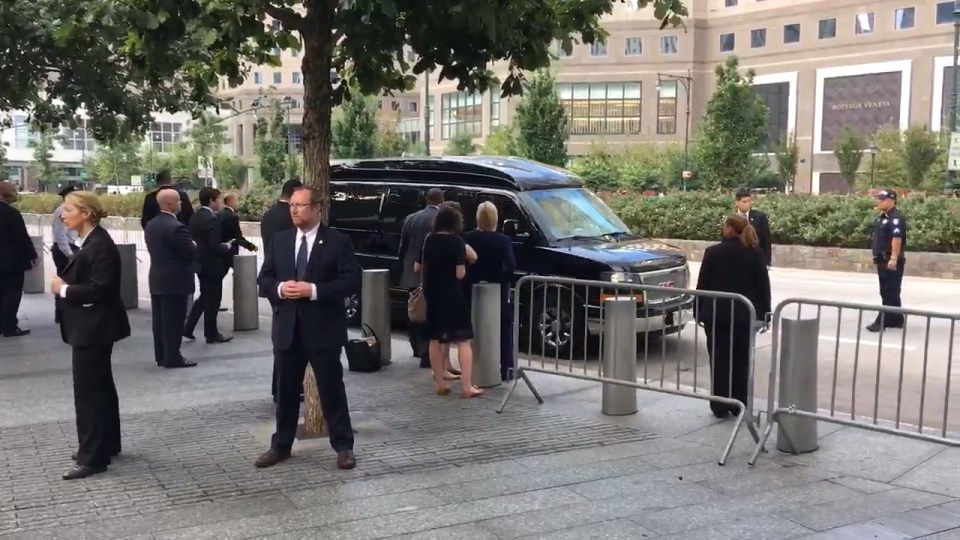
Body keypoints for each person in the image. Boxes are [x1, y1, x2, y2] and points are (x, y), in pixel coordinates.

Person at [255, 187, 361, 470]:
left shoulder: (338, 242)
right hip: (287, 329)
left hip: (323, 329)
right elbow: (264, 279)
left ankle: (343, 446)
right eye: (292, 205)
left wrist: (312, 290)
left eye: (301, 206)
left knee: (332, 390)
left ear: (317, 209)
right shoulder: (280, 240)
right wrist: (280, 288)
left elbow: (351, 281)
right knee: (286, 391)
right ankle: (281, 446)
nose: (294, 210)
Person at [50, 191, 129, 480]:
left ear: (86, 213)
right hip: (91, 326)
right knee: (100, 387)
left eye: (68, 209)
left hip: (94, 327)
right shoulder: (90, 242)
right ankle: (105, 444)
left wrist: (64, 289)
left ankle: (93, 457)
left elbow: (100, 290)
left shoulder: (100, 245)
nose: (62, 214)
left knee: (89, 393)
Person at [695, 214, 771, 419]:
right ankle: (740, 404)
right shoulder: (755, 253)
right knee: (741, 361)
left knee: (719, 361)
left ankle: (720, 405)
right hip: (744, 316)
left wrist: (698, 311)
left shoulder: (713, 252)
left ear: (729, 229)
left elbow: (703, 285)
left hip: (717, 316)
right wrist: (765, 314)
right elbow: (763, 287)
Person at [416, 205, 483, 398]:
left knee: (435, 339)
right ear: (456, 223)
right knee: (463, 340)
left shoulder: (429, 240)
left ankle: (440, 382)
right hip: (452, 295)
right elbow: (459, 273)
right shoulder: (456, 242)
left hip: (432, 294)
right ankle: (467, 386)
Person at [259, 179, 303, 402]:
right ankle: (287, 386)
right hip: (290, 284)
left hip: (274, 282)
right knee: (291, 339)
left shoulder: (268, 214)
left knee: (283, 337)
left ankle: (280, 386)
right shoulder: (290, 217)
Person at [464, 201, 517, 381]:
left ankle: (474, 367)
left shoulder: (468, 238)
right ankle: (507, 368)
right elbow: (510, 267)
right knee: (504, 329)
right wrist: (499, 280)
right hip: (498, 291)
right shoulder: (503, 241)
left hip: (472, 290)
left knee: (471, 330)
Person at [145, 189, 198, 368]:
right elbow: (189, 252)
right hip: (176, 280)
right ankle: (173, 356)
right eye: (179, 202)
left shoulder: (151, 225)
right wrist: (193, 245)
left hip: (157, 278)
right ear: (170, 204)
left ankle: (161, 355)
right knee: (174, 320)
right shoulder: (177, 227)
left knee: (160, 321)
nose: (181, 204)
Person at [398, 188, 443, 367]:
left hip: (410, 272)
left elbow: (403, 247)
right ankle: (425, 350)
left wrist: (403, 268)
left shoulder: (410, 218)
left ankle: (415, 347)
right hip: (428, 274)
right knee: (428, 313)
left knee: (414, 311)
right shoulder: (438, 220)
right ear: (441, 200)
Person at [183, 187, 233, 343]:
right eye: (218, 199)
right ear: (212, 200)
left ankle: (188, 328)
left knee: (204, 297)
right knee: (213, 300)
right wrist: (227, 246)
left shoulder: (195, 217)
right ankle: (211, 333)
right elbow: (214, 245)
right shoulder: (211, 219)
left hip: (200, 263)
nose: (219, 203)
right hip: (212, 265)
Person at [0, 180, 37, 338]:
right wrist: (33, 255)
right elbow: (21, 238)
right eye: (12, 191)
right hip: (11, 263)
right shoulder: (12, 214)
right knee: (11, 294)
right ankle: (9, 326)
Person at [868, 189, 906, 333]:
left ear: (891, 200)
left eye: (882, 199)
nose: (879, 201)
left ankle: (882, 321)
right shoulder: (882, 217)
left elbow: (897, 239)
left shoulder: (895, 218)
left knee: (889, 292)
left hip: (891, 260)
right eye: (879, 199)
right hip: (882, 260)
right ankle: (896, 319)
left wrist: (894, 258)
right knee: (888, 291)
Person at [51, 185, 81, 324]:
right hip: (64, 250)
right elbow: (60, 235)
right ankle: (61, 313)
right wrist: (69, 254)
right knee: (64, 281)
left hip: (71, 247)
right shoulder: (61, 211)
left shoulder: (73, 210)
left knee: (73, 281)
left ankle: (68, 311)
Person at [734, 188, 772, 267]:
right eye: (744, 202)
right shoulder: (732, 218)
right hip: (736, 259)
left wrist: (767, 261)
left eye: (749, 201)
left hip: (755, 259)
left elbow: (766, 240)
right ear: (737, 203)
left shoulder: (760, 217)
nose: (747, 204)